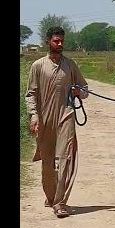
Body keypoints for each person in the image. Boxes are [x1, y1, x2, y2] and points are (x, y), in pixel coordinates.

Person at [25, 27, 89, 218]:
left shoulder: (70, 65)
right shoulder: (38, 66)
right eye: (56, 41)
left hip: (66, 116)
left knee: (65, 160)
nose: (60, 44)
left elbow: (84, 89)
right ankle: (51, 195)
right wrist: (33, 116)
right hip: (45, 121)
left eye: (62, 41)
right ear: (48, 42)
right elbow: (31, 94)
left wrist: (79, 92)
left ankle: (60, 202)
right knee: (47, 164)